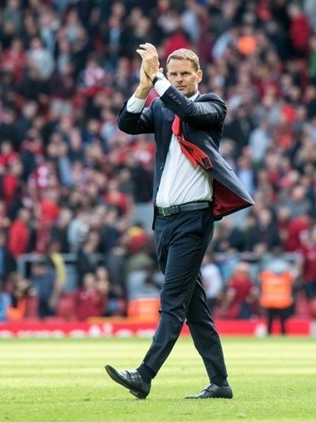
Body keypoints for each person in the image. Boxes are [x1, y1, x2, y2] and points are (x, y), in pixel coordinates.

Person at [104, 43, 254, 400]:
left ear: (199, 75)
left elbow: (185, 108)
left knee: (171, 302)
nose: (181, 79)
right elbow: (126, 123)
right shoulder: (159, 106)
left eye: (186, 73)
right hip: (164, 222)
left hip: (193, 219)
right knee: (193, 308)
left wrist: (156, 78)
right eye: (175, 74)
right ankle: (220, 382)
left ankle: (144, 375)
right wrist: (143, 86)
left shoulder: (212, 105)